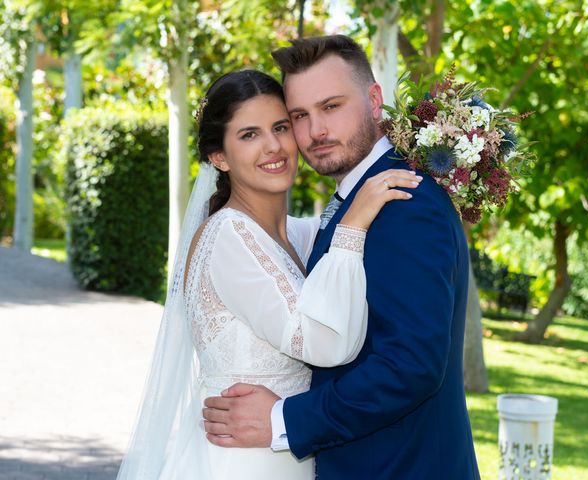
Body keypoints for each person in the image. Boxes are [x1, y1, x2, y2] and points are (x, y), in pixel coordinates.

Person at [115, 69, 420, 479]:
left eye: (280, 127)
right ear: (218, 157)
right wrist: (353, 225)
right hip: (243, 463)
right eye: (249, 134)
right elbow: (326, 345)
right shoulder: (227, 234)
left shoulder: (301, 233)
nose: (274, 146)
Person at [202, 35, 481, 479]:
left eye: (331, 107)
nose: (316, 132)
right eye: (299, 116)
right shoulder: (352, 205)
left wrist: (283, 421)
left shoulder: (404, 203)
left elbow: (410, 366)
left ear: (374, 100)